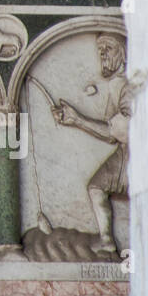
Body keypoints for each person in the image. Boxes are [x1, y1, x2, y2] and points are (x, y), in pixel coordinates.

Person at [51, 33, 129, 255]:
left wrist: (77, 120)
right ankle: (106, 241)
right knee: (96, 186)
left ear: (124, 55)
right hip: (125, 149)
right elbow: (111, 133)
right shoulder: (116, 86)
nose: (102, 53)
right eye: (100, 49)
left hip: (137, 153)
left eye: (109, 48)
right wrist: (76, 120)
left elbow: (121, 132)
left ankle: (116, 241)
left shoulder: (128, 87)